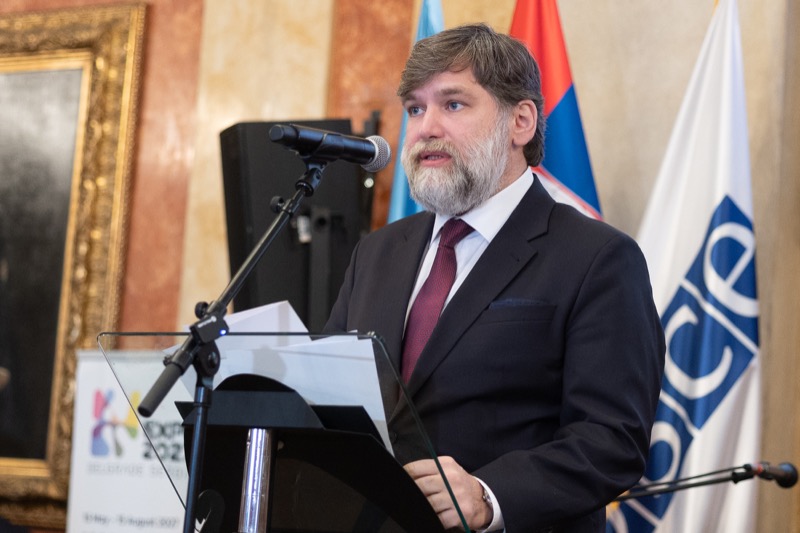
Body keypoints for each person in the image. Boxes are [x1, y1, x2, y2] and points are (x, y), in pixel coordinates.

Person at [325, 23, 665, 532]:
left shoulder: (598, 258)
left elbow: (612, 439)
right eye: (415, 109)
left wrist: (489, 496)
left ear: (520, 122)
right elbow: (332, 399)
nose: (426, 127)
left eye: (453, 104)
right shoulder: (376, 253)